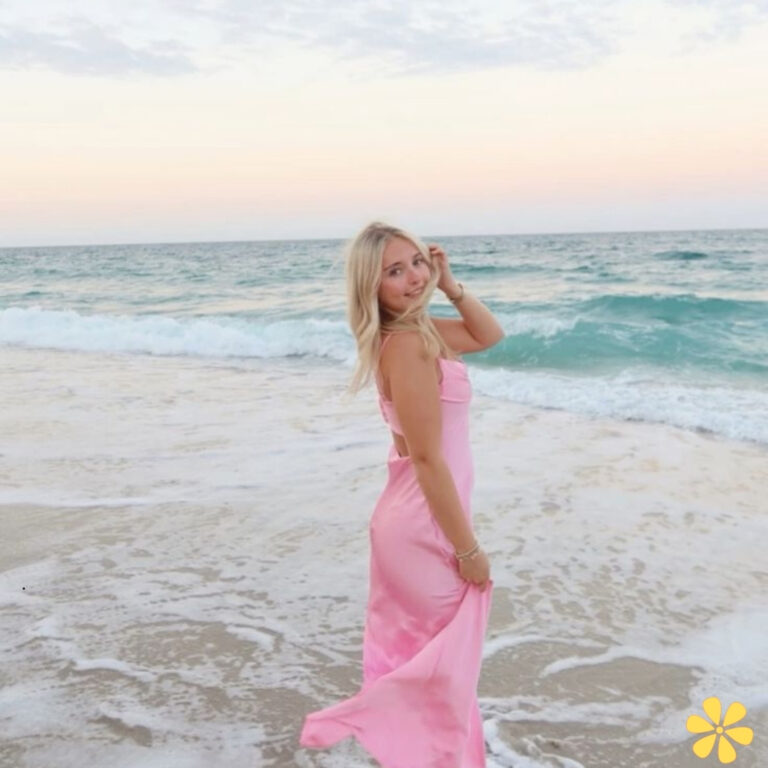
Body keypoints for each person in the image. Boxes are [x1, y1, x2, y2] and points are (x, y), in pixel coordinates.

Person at [299, 221, 505, 766]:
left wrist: (450, 285)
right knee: (442, 673)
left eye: (417, 262)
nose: (414, 277)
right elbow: (428, 459)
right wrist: (468, 549)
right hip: (424, 529)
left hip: (413, 519)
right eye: (395, 271)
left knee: (434, 670)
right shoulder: (410, 344)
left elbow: (489, 335)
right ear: (372, 286)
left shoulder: (419, 333)